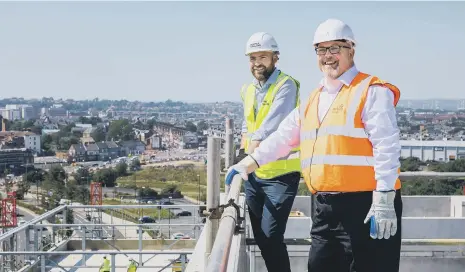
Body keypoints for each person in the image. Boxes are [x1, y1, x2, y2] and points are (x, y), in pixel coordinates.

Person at [226, 19, 402, 272]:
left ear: (351, 50)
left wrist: (384, 197)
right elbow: (284, 136)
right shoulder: (314, 98)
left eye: (335, 48)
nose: (328, 56)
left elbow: (387, 146)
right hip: (324, 208)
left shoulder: (371, 91)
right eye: (321, 49)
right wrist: (249, 162)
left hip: (365, 206)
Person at [229, 31, 302, 272]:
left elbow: (270, 127)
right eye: (252, 58)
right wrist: (242, 153)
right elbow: (247, 126)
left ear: (275, 58)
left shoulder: (286, 86)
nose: (257, 63)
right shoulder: (248, 90)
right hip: (254, 175)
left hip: (280, 175)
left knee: (271, 235)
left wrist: (246, 159)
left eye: (263, 56)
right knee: (261, 237)